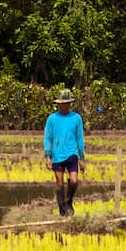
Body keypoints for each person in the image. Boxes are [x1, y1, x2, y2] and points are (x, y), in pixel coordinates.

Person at [44, 89, 85, 217]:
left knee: (73, 181)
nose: (64, 106)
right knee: (59, 182)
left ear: (69, 104)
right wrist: (47, 156)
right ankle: (62, 210)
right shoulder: (52, 119)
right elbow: (48, 138)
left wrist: (82, 158)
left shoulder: (76, 118)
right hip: (57, 154)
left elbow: (80, 138)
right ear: (58, 104)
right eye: (61, 103)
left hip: (72, 153)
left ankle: (69, 201)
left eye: (66, 103)